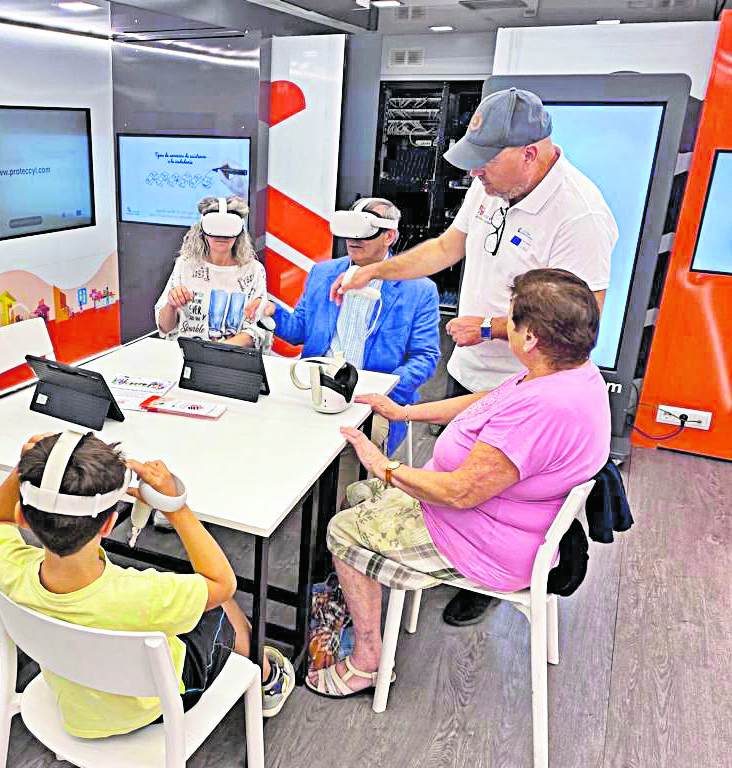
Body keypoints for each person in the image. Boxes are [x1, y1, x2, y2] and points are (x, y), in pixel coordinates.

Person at [333, 88, 617, 625]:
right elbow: (446, 248)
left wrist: (489, 326)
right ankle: (446, 550)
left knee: (482, 487)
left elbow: (582, 319)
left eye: (485, 162)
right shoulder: (490, 187)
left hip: (519, 389)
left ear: (529, 152)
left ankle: (476, 577)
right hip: (484, 380)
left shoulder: (580, 217)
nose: (475, 176)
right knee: (464, 467)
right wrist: (376, 270)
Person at [307, 269, 610, 697]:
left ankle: (368, 660)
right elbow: (488, 401)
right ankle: (355, 606)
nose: (504, 325)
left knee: (342, 526)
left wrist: (383, 466)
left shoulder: (544, 410)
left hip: (482, 539)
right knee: (357, 496)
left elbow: (460, 493)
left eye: (512, 321)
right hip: (505, 520)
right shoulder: (569, 373)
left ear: (531, 339)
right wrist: (404, 412)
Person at [0, 430, 296, 736]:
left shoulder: (7, 568)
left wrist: (24, 468)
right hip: (157, 706)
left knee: (193, 600)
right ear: (108, 524)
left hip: (75, 705)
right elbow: (221, 582)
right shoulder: (144, 594)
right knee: (217, 605)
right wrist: (176, 506)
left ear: (22, 517)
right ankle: (268, 677)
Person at [251, 197, 440, 452]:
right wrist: (271, 313)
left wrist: (383, 390)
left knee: (356, 455)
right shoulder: (323, 273)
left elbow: (424, 356)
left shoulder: (418, 289)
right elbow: (299, 331)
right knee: (266, 428)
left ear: (389, 236)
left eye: (364, 233)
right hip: (315, 386)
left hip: (371, 399)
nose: (354, 240)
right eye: (350, 232)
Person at [155, 195, 266, 348]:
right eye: (215, 228)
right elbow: (165, 327)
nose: (221, 235)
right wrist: (172, 305)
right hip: (183, 357)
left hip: (231, 361)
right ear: (202, 231)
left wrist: (214, 352)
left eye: (228, 228)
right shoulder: (186, 265)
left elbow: (257, 330)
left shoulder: (253, 271)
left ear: (239, 231)